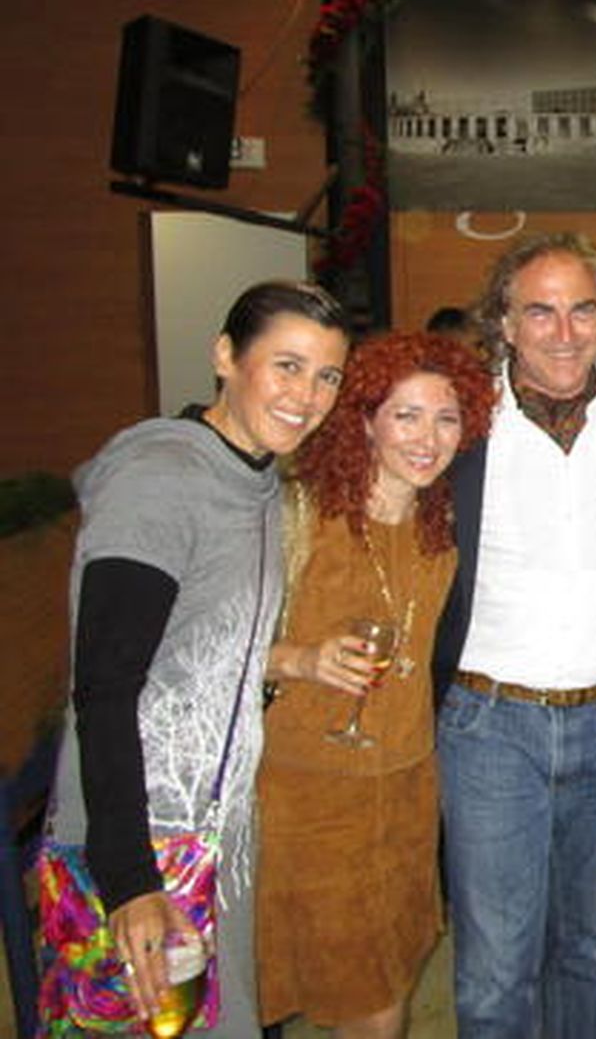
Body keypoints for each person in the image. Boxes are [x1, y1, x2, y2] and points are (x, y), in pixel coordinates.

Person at [45, 281, 350, 1035]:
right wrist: (128, 882)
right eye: (286, 365)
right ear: (224, 356)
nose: (305, 395)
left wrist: (295, 661)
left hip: (215, 829)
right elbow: (106, 685)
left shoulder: (256, 484)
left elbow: (199, 644)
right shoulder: (159, 480)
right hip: (139, 840)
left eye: (327, 376)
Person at [432, 232, 596, 1039]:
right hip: (490, 726)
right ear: (502, 321)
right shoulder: (459, 416)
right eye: (539, 310)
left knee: (588, 949)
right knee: (497, 970)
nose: (564, 331)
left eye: (583, 309)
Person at [255, 332, 494, 1038]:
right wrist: (299, 659)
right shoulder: (298, 517)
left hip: (410, 788)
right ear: (363, 420)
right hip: (306, 796)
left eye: (447, 418)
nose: (429, 438)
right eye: (407, 416)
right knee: (355, 997)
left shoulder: (446, 525)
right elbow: (204, 644)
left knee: (388, 975)